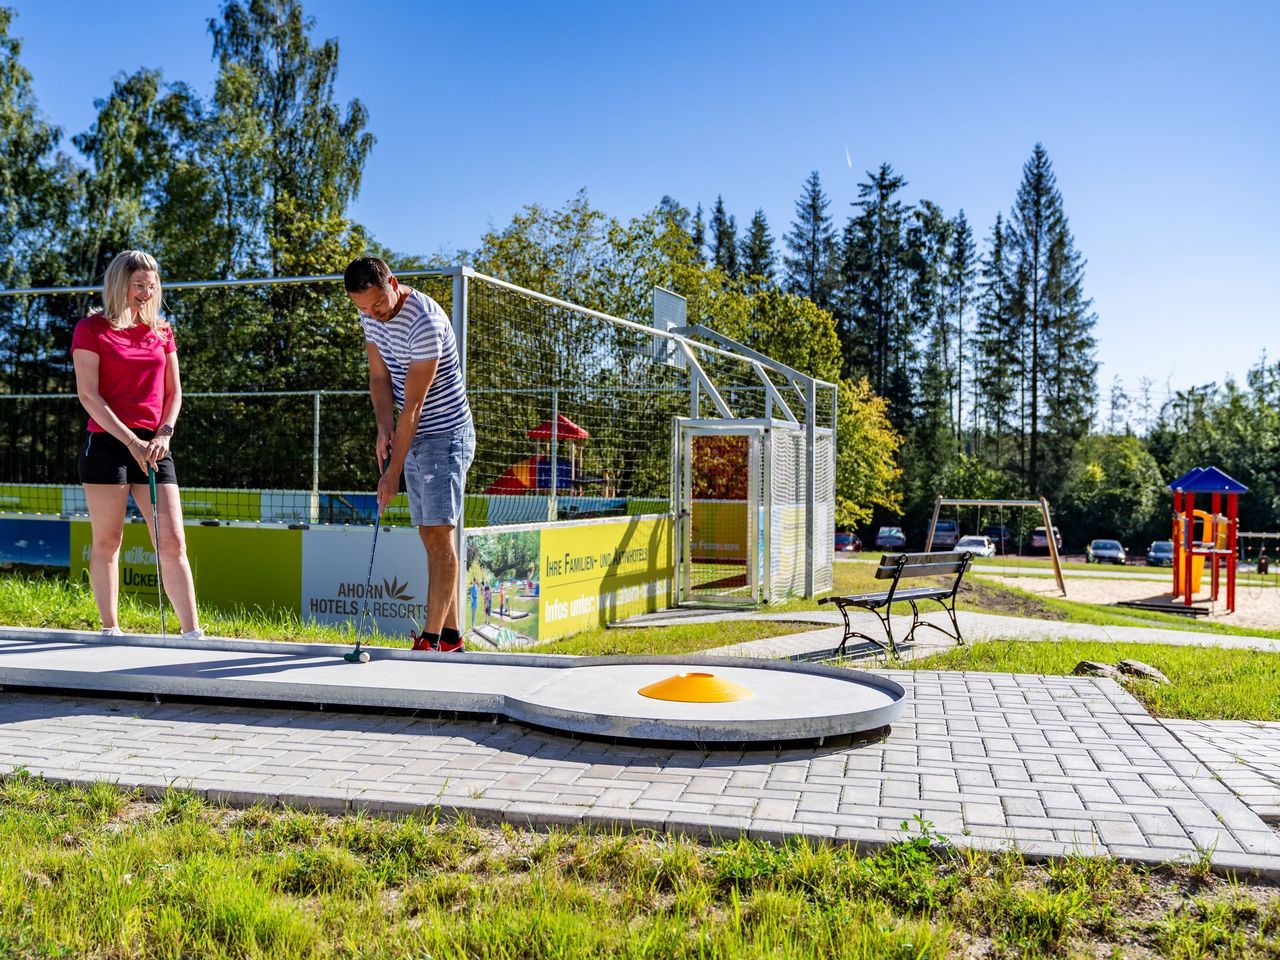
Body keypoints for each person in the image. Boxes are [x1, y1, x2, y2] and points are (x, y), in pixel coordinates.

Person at [345, 257, 475, 653]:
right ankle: (451, 638)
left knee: (439, 535)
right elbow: (380, 378)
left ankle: (431, 640)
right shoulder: (371, 314)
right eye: (362, 309)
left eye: (377, 305)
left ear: (394, 284)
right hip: (410, 430)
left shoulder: (425, 324)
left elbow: (415, 408)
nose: (373, 316)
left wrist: (392, 472)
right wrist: (383, 427)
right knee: (429, 535)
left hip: (444, 434)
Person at [71, 250, 202, 639]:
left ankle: (192, 633)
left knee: (173, 541)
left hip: (155, 446)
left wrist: (163, 433)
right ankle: (110, 629)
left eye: (152, 284)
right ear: (119, 284)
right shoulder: (91, 329)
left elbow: (174, 392)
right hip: (108, 443)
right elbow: (89, 395)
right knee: (109, 540)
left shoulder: (162, 331)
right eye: (139, 284)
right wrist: (129, 441)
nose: (147, 292)